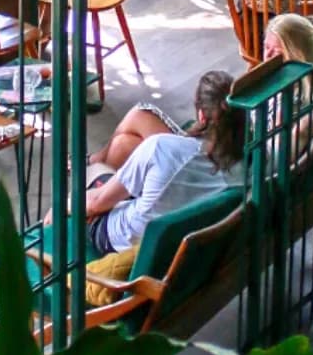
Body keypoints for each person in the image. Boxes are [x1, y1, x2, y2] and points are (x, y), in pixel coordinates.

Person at [84, 70, 247, 258]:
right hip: (185, 236)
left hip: (121, 239)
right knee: (124, 144)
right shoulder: (253, 162)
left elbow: (94, 205)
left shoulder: (162, 148)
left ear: (201, 116)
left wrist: (63, 206)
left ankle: (96, 164)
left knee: (96, 171)